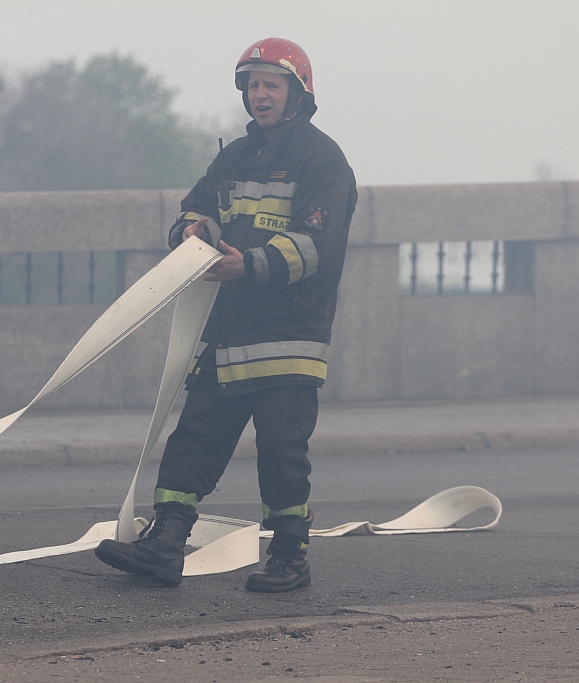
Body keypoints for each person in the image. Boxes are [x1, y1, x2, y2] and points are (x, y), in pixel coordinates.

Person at [95, 37, 357, 593]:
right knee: (194, 440)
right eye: (252, 85)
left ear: (297, 93)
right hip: (227, 331)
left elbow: (317, 245)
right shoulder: (234, 157)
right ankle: (165, 543)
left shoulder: (323, 160)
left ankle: (290, 556)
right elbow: (194, 209)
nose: (260, 95)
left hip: (288, 336)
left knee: (281, 453)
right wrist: (190, 232)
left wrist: (251, 265)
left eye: (271, 85)